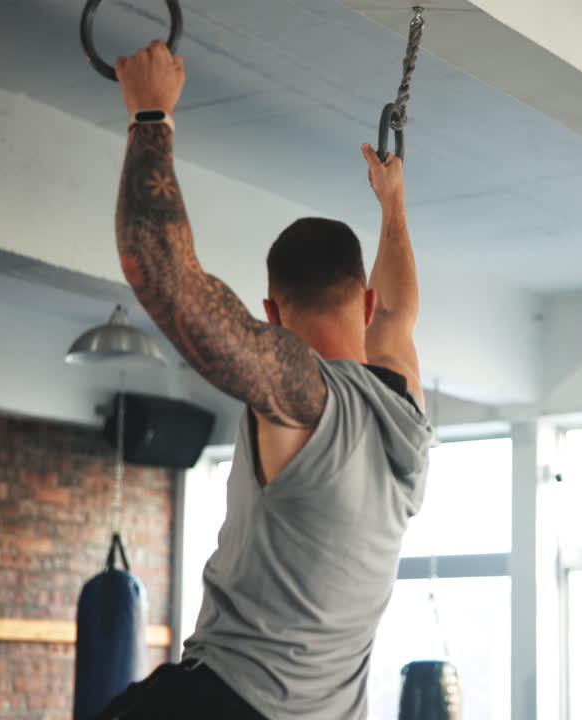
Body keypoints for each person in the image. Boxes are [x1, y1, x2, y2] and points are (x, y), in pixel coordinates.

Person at [93, 40, 434, 720]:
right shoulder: (405, 405)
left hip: (232, 701)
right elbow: (400, 310)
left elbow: (163, 273)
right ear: (362, 305)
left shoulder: (301, 398)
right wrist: (392, 206)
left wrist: (150, 114)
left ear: (271, 316)